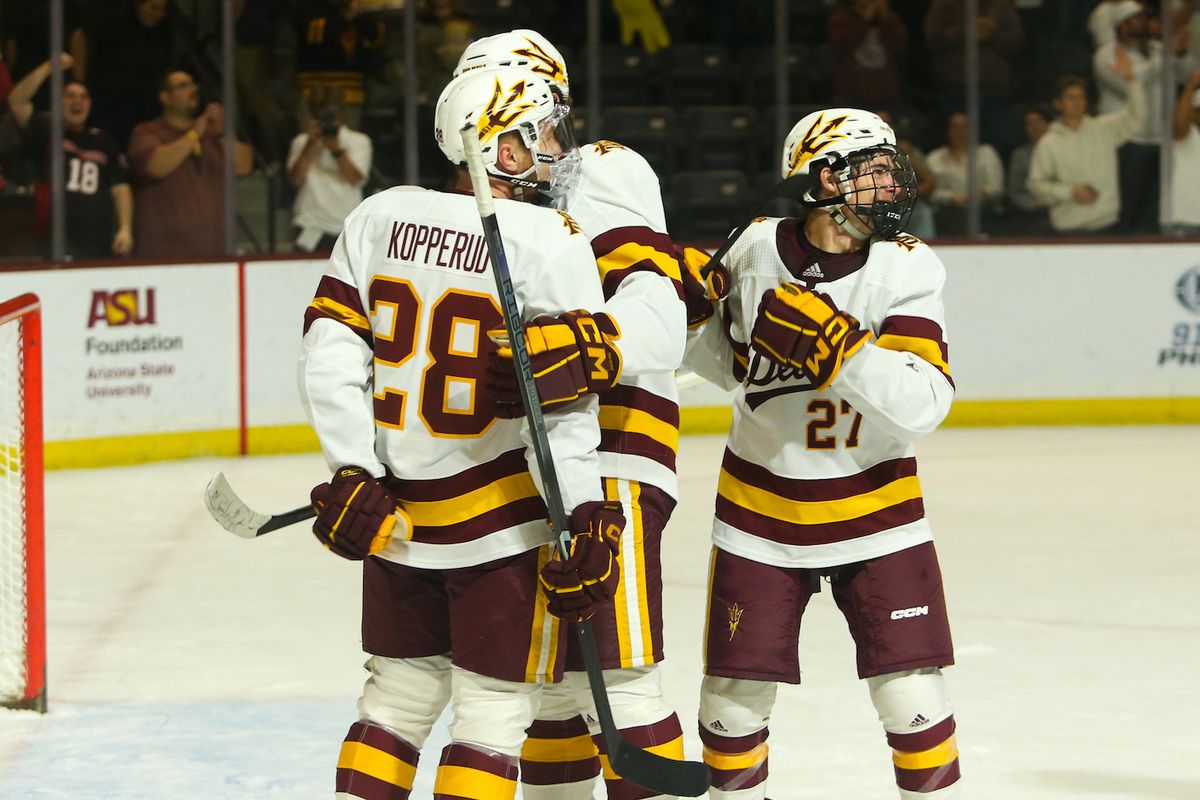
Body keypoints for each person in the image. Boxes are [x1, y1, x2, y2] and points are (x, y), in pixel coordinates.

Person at [305, 65, 620, 800]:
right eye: (540, 134)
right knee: (491, 717)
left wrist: (352, 467)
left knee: (392, 707)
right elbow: (562, 410)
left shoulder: (377, 215)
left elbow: (330, 348)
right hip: (503, 526)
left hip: (396, 515)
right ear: (502, 152)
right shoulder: (551, 239)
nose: (555, 149)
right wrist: (582, 513)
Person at [682, 108, 962, 799]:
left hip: (879, 510)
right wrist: (685, 317)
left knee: (913, 695)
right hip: (760, 514)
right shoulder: (751, 249)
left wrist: (840, 348)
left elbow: (924, 402)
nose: (892, 187)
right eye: (874, 171)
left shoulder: (907, 265)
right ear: (824, 177)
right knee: (731, 700)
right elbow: (728, 368)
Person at [458, 30, 691, 800]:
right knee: (554, 689)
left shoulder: (602, 171)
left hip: (615, 452)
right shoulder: (476, 198)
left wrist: (586, 348)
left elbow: (656, 318)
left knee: (618, 675)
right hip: (533, 460)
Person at [4, 55, 132, 258]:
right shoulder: (47, 131)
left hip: (98, 242)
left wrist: (125, 228)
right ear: (59, 101)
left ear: (90, 104)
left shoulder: (103, 141)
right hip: (56, 240)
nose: (77, 102)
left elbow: (120, 188)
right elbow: (16, 102)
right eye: (70, 96)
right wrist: (48, 67)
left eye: (83, 97)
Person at [1092, 0, 1196, 233]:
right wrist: (1166, 57)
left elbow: (1189, 74)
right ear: (1121, 25)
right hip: (1127, 142)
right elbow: (1129, 82)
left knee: (1155, 207)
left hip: (1160, 140)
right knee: (1128, 205)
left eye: (1143, 17)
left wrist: (1180, 53)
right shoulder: (1106, 54)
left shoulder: (1159, 50)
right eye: (1135, 18)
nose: (1142, 22)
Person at [126, 69, 253, 259]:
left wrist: (224, 133)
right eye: (183, 86)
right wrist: (194, 134)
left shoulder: (213, 135)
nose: (193, 89)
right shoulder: (147, 132)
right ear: (165, 97)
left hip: (215, 255)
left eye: (193, 84)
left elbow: (244, 166)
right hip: (164, 256)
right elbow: (156, 166)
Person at [1028, 65, 1145, 234]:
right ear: (1058, 103)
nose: (1077, 102)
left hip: (1106, 224)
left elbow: (1137, 117)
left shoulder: (1104, 128)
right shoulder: (1048, 143)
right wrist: (1071, 192)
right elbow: (1036, 186)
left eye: (1081, 96)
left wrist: (1132, 82)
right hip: (1068, 228)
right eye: (1071, 97)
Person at [286, 85, 371, 253]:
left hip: (346, 226)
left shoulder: (358, 141)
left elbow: (355, 179)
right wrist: (311, 144)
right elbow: (296, 179)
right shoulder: (301, 142)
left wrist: (337, 150)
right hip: (310, 224)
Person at [926, 111, 1004, 236]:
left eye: (966, 126)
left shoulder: (987, 153)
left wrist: (979, 195)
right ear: (947, 131)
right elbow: (930, 192)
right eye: (956, 126)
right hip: (947, 214)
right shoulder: (935, 157)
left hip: (984, 212)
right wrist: (952, 197)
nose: (961, 131)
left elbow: (996, 187)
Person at [827, 0, 910, 108]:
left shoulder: (890, 19)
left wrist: (886, 20)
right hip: (851, 92)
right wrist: (865, 22)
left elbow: (899, 46)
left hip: (885, 89)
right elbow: (841, 47)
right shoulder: (842, 18)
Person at [1005, 104, 1053, 234]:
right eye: (1029, 123)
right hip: (1031, 216)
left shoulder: (1063, 151)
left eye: (1039, 121)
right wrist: (1036, 205)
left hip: (1063, 211)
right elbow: (1015, 191)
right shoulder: (1020, 155)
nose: (1035, 127)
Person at [1163, 68, 1200, 235]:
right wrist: (1190, 86)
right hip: (1183, 223)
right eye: (1198, 109)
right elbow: (1178, 124)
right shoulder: (1184, 136)